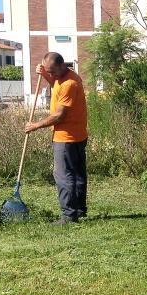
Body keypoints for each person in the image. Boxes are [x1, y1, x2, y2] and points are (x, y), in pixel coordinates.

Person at [24, 52, 89, 225]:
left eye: (52, 71)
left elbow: (59, 115)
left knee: (63, 175)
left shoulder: (69, 84)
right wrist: (45, 75)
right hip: (78, 134)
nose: (50, 74)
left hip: (66, 137)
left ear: (62, 65)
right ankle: (79, 210)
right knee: (77, 174)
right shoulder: (65, 77)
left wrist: (35, 125)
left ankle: (69, 215)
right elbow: (56, 85)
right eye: (48, 71)